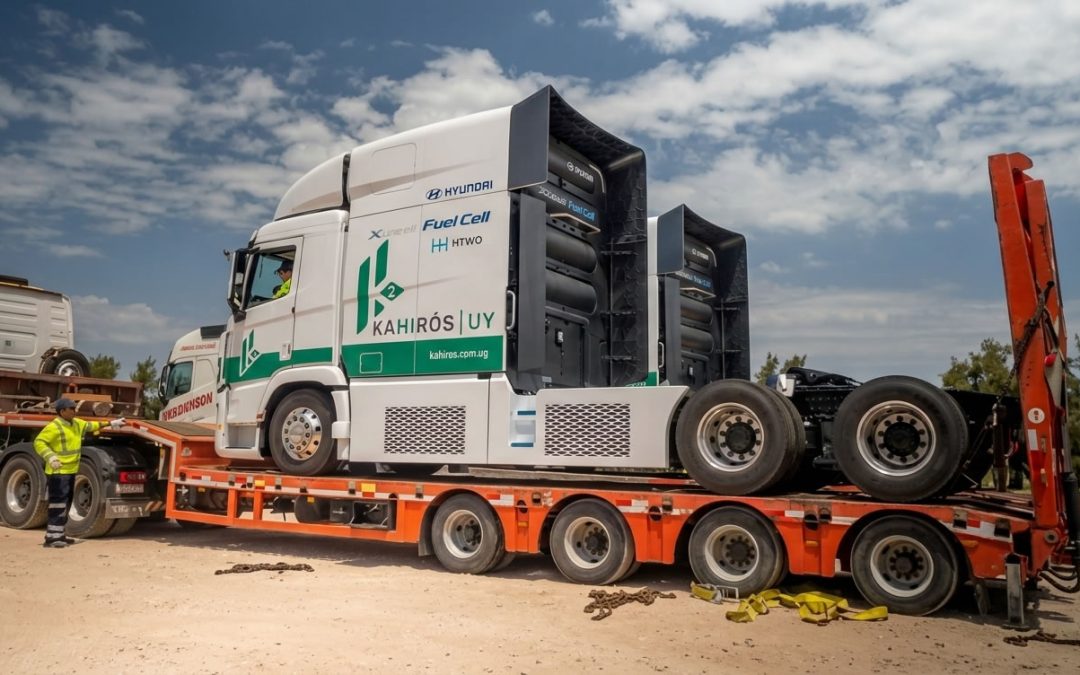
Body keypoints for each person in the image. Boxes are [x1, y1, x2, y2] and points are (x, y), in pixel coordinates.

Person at [33, 398, 126, 548]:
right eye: (71, 408)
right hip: (58, 472)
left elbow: (91, 425)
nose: (74, 410)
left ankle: (59, 535)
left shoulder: (76, 423)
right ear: (62, 411)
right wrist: (50, 457)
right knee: (58, 504)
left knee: (66, 503)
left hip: (70, 471)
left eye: (74, 408)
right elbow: (39, 442)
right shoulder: (54, 426)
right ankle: (51, 538)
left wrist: (111, 423)